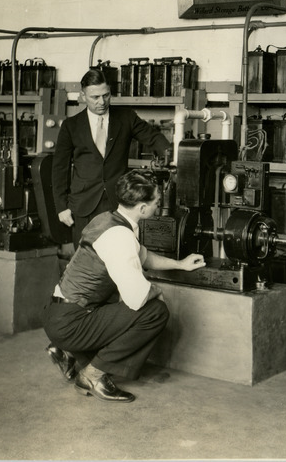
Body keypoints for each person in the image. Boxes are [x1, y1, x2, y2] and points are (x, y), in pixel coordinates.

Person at [43, 169, 206, 403]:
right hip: (70, 322)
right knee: (155, 313)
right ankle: (93, 375)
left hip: (59, 314)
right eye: (157, 203)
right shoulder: (121, 236)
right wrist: (157, 293)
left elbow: (143, 256)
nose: (158, 207)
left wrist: (181, 264)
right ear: (142, 208)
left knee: (116, 299)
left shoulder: (107, 219)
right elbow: (135, 297)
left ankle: (66, 351)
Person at [51, 68, 171, 249]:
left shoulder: (126, 117)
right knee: (86, 261)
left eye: (106, 95)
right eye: (95, 97)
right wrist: (61, 207)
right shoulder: (71, 126)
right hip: (83, 206)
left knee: (120, 256)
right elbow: (59, 168)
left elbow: (152, 137)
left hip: (119, 203)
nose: (101, 102)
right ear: (83, 96)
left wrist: (172, 154)